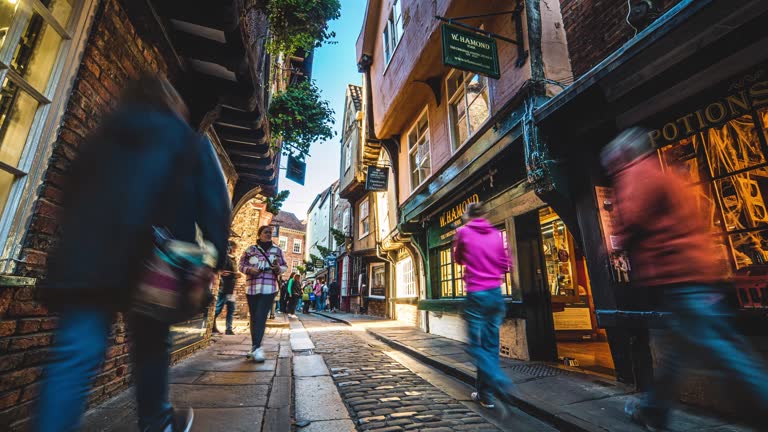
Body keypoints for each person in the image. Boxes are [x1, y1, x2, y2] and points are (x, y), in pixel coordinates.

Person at [35, 74, 231, 432]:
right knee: (151, 348)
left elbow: (69, 191)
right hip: (154, 264)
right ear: (173, 103)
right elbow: (216, 208)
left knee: (74, 356)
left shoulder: (103, 136)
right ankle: (157, 424)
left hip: (88, 260)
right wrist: (213, 259)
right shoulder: (189, 142)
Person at [602, 127, 768, 430]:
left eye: (612, 159)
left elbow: (632, 221)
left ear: (624, 154)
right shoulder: (665, 175)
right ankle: (653, 409)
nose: (611, 166)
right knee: (679, 353)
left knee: (724, 351)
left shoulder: (636, 174)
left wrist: (617, 237)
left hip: (680, 278)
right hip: (696, 274)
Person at [453, 202, 513, 410]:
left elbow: (458, 259)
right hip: (496, 294)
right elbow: (506, 264)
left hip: (476, 294)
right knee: (490, 346)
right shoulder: (496, 234)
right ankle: (485, 396)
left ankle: (498, 378)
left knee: (474, 346)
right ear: (485, 215)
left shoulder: (463, 232)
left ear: (468, 216)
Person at [239, 226, 288, 362]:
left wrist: (279, 269)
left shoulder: (277, 250)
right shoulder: (250, 250)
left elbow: (285, 266)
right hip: (252, 288)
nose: (269, 234)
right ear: (259, 234)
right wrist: (249, 269)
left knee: (261, 316)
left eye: (270, 233)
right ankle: (254, 347)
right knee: (254, 317)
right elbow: (240, 265)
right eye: (266, 232)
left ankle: (258, 348)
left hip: (269, 288)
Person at [213, 240, 240, 335]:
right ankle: (211, 325)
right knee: (218, 308)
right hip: (225, 287)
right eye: (234, 248)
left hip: (231, 288)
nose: (235, 250)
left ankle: (229, 329)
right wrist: (234, 274)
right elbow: (222, 272)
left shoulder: (233, 259)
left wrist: (236, 275)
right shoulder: (225, 258)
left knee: (231, 309)